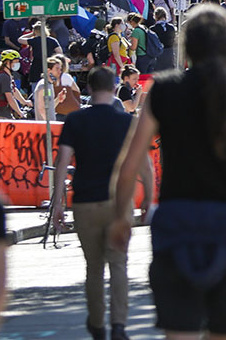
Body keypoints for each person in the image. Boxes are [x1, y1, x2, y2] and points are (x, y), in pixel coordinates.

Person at [108, 5, 226, 339]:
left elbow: (129, 163)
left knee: (179, 331)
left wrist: (121, 218)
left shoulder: (163, 91)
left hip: (176, 228)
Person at [52, 66, 153, 340]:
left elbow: (62, 161)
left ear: (89, 89)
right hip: (119, 203)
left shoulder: (75, 121)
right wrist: (149, 199)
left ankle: (97, 325)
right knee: (119, 263)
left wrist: (57, 203)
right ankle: (119, 325)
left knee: (93, 267)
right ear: (113, 88)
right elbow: (146, 164)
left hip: (84, 201)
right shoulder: (126, 122)